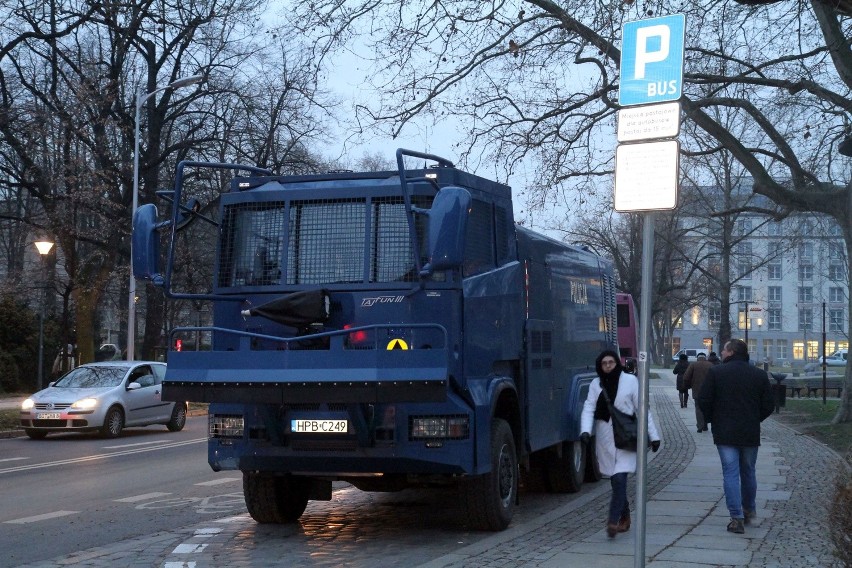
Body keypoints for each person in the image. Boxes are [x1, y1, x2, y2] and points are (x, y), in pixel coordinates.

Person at [696, 339, 774, 535]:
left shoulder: (717, 373)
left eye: (723, 350)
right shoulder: (758, 374)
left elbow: (703, 399)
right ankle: (750, 511)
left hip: (725, 431)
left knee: (730, 473)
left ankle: (736, 517)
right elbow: (768, 404)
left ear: (730, 352)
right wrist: (756, 418)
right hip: (749, 431)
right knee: (749, 472)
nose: (721, 353)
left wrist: (713, 418)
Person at [580, 350, 661, 538]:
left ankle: (612, 521)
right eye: (604, 363)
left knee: (619, 479)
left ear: (617, 363)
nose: (608, 366)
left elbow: (642, 409)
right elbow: (589, 407)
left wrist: (653, 435)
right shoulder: (596, 384)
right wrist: (585, 430)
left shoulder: (630, 381)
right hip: (606, 438)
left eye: (611, 362)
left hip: (626, 437)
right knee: (615, 482)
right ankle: (625, 515)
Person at [683, 353, 713, 432]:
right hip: (709, 390)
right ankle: (705, 424)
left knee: (698, 408)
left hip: (697, 390)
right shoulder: (711, 365)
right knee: (707, 407)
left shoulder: (693, 365)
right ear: (705, 358)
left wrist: (688, 385)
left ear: (697, 358)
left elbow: (686, 377)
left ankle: (700, 426)